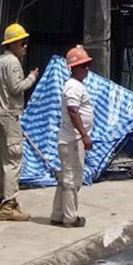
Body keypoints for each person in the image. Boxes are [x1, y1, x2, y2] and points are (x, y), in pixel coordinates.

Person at [0, 23, 39, 221]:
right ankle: (9, 205)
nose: (25, 47)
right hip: (8, 116)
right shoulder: (13, 63)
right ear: (14, 43)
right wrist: (32, 77)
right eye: (23, 43)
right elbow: (17, 88)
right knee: (13, 162)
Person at [51, 47, 95, 228]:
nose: (86, 69)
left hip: (71, 139)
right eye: (83, 66)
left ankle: (58, 214)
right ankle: (70, 217)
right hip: (73, 140)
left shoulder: (76, 86)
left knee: (65, 178)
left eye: (87, 66)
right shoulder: (73, 87)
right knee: (72, 179)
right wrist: (84, 136)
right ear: (73, 68)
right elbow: (73, 111)